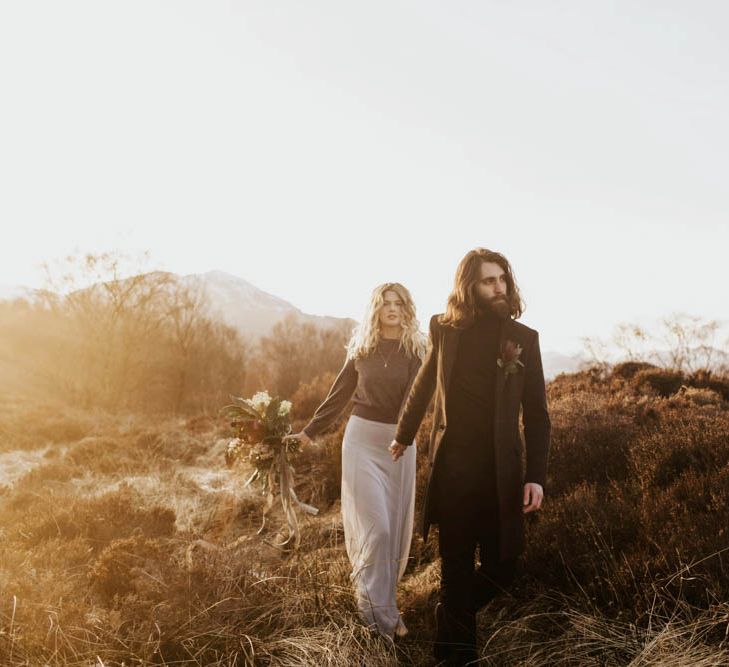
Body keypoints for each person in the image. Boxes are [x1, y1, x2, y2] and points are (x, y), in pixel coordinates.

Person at [389, 248, 551, 665]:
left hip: (502, 474)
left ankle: (450, 613)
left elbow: (537, 415)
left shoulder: (524, 339)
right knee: (456, 569)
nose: (498, 288)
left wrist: (536, 477)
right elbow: (424, 385)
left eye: (502, 280)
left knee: (503, 568)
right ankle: (456, 656)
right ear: (470, 287)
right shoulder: (445, 330)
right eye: (488, 281)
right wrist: (404, 435)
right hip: (454, 472)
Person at [285, 282, 428, 641]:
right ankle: (378, 616)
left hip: (399, 443)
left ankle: (382, 605)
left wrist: (404, 437)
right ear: (376, 308)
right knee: (376, 530)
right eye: (385, 303)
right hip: (361, 442)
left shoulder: (415, 349)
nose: (392, 309)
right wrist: (308, 432)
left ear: (406, 308)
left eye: (398, 303)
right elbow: (337, 396)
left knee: (392, 531)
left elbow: (417, 399)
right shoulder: (361, 348)